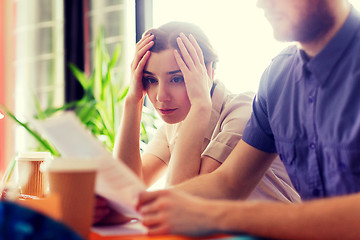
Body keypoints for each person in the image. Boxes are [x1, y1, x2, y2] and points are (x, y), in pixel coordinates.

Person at [137, 0, 360, 239]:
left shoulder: (238, 109)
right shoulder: (278, 77)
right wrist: (141, 206)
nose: (261, 3)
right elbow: (229, 183)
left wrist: (215, 215)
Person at [94, 21, 300, 225]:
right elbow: (128, 190)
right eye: (151, 80)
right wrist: (133, 100)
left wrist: (201, 105)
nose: (160, 96)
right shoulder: (176, 123)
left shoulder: (242, 112)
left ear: (209, 71)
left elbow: (182, 206)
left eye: (177, 79)